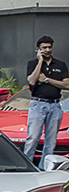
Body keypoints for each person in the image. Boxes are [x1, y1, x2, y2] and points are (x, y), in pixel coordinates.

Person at [25, 35, 68, 163]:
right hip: (38, 104)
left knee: (51, 140)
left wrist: (48, 80)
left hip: (55, 105)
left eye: (49, 47)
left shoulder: (60, 65)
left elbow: (67, 85)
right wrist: (40, 61)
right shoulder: (32, 64)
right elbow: (32, 81)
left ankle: (46, 166)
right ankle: (27, 165)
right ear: (38, 49)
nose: (47, 50)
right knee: (33, 137)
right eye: (44, 48)